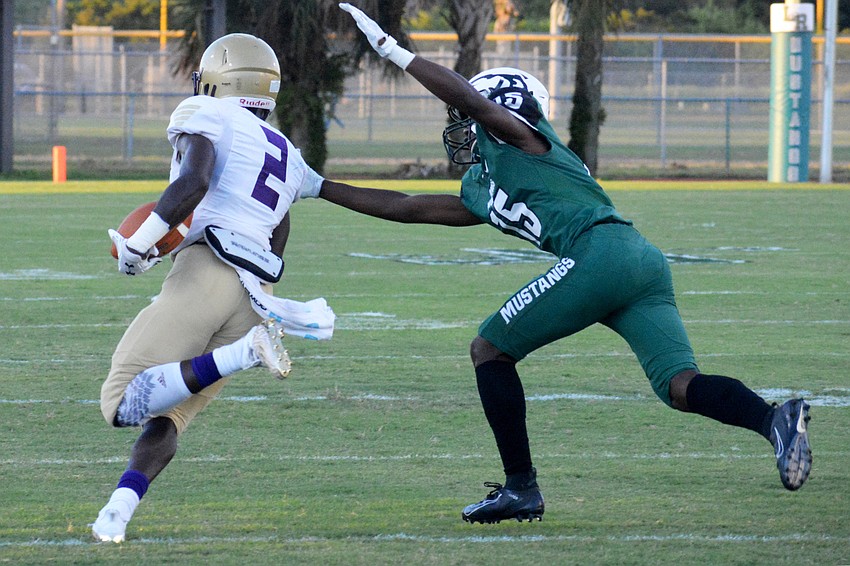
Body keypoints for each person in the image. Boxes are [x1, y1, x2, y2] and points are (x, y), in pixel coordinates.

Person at [304, 4, 813, 524]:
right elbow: (407, 207)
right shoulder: (484, 184)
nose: (462, 127)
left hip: (599, 255)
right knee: (678, 386)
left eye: (469, 114)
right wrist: (319, 186)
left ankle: (520, 487)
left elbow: (473, 105)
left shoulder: (525, 139)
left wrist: (395, 51)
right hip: (638, 262)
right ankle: (775, 419)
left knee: (489, 348)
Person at [92, 33, 335, 543]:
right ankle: (120, 507)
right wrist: (260, 300)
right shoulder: (284, 150)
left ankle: (243, 353)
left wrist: (141, 244)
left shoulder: (206, 112)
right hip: (254, 294)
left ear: (216, 80)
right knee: (169, 413)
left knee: (119, 402)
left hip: (209, 273)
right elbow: (279, 231)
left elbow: (193, 183)